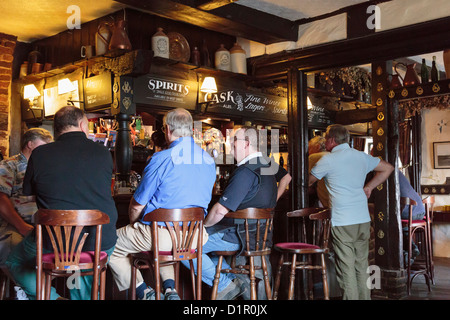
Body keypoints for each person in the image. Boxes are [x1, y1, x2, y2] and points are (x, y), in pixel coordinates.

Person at [6, 105, 118, 300]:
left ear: (56, 129)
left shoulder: (40, 154)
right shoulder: (103, 153)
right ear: (83, 125)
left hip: (52, 240)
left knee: (15, 262)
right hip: (100, 239)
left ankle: (52, 297)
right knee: (82, 268)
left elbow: (30, 194)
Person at [108, 108, 216, 300]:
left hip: (163, 236)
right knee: (159, 241)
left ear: (167, 129)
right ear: (191, 129)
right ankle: (170, 290)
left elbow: (136, 206)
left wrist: (135, 224)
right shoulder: (208, 160)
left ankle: (145, 293)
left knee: (109, 244)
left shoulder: (161, 159)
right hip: (195, 237)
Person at [187, 126, 291, 300]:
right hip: (260, 238)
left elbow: (220, 210)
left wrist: (201, 227)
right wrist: (271, 204)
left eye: (234, 142)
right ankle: (230, 283)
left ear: (247, 143)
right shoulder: (266, 164)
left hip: (240, 237)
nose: (231, 146)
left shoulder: (246, 170)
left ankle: (227, 285)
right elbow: (287, 178)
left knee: (185, 246)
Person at [309, 124, 394, 300]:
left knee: (346, 269)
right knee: (362, 266)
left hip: (343, 221)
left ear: (332, 140)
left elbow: (306, 181)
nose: (325, 141)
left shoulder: (328, 160)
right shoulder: (361, 156)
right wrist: (369, 186)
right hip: (362, 219)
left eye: (325, 138)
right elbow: (388, 168)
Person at [0, 128, 53, 265]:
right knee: (15, 250)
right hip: (14, 225)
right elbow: (1, 199)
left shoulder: (46, 168)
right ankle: (24, 285)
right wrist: (21, 225)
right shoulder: (9, 165)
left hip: (43, 226)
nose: (46, 150)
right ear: (30, 144)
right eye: (44, 145)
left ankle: (40, 284)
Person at [308, 135, 330, 208]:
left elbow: (308, 182)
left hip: (327, 200)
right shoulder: (332, 155)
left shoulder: (314, 157)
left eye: (309, 148)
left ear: (317, 146)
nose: (308, 151)